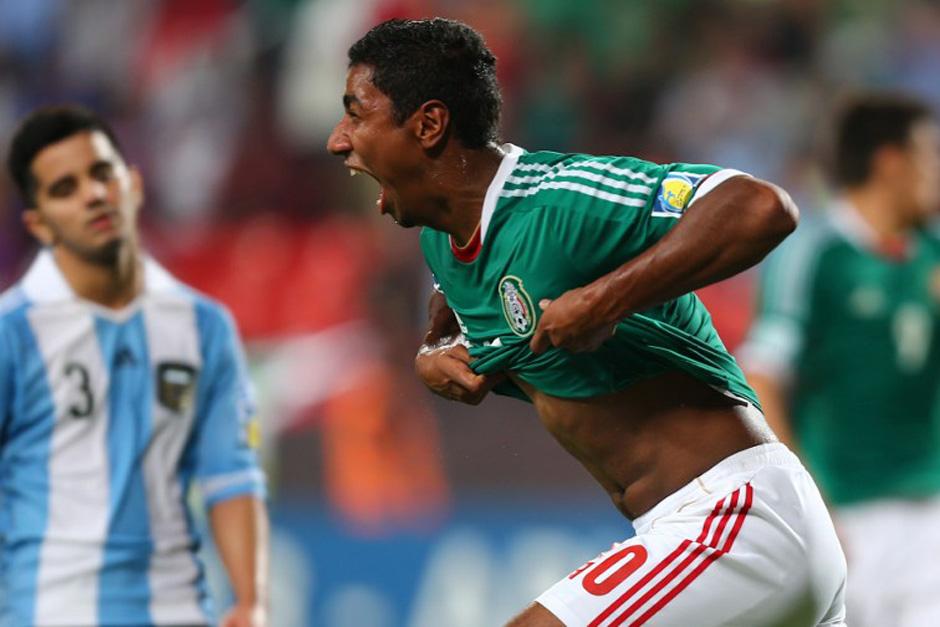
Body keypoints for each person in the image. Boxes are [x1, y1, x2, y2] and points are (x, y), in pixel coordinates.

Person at [328, 17, 846, 627]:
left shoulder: (560, 201)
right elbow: (451, 318)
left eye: (357, 114)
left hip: (736, 518)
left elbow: (760, 207)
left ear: (429, 125)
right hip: (690, 532)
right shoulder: (444, 243)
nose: (339, 140)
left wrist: (606, 299)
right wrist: (431, 352)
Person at [0, 105, 269, 627]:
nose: (93, 194)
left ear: (135, 184)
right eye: (64, 188)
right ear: (39, 224)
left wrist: (250, 600)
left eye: (103, 173)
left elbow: (231, 476)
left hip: (175, 610)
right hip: (46, 612)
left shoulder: (203, 326)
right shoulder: (11, 332)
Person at [739, 93, 940, 627]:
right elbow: (761, 378)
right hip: (845, 513)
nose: (937, 172)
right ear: (891, 162)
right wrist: (805, 499)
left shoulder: (932, 253)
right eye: (930, 154)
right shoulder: (816, 253)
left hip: (931, 507)